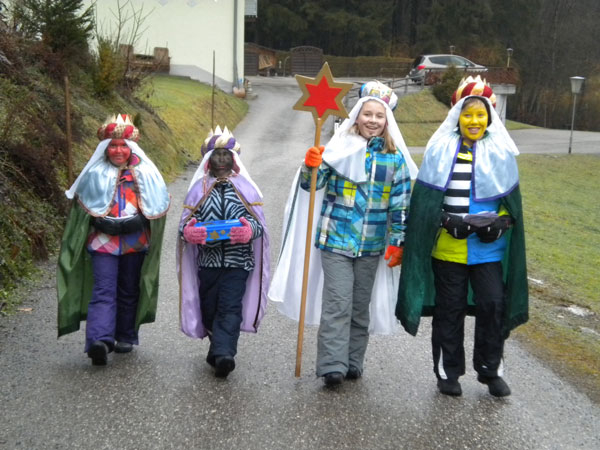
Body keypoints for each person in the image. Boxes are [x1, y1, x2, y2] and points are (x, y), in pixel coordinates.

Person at [269, 81, 418, 386]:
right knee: (338, 302)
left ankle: (352, 361)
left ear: (387, 121)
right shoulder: (338, 149)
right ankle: (331, 365)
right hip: (335, 240)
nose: (372, 120)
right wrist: (311, 165)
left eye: (379, 116)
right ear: (356, 116)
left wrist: (397, 242)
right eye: (367, 114)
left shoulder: (394, 159)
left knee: (359, 307)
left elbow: (400, 205)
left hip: (371, 245)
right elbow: (311, 185)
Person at [396, 76, 528, 397]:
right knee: (449, 310)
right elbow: (427, 203)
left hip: (488, 250)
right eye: (468, 114)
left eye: (481, 115)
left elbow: (510, 203)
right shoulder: (440, 150)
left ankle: (490, 369)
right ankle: (449, 373)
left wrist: (503, 222)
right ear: (457, 116)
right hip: (449, 248)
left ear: (490, 117)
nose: (474, 121)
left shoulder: (500, 152)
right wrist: (445, 219)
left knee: (492, 305)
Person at [57, 114, 171, 366]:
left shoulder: (146, 172)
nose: (118, 150)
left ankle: (125, 335)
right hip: (102, 242)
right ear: (105, 148)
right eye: (113, 145)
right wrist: (98, 221)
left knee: (129, 289)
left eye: (123, 145)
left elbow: (156, 204)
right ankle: (99, 341)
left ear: (131, 147)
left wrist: (140, 220)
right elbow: (82, 208)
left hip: (135, 242)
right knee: (103, 290)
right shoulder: (94, 172)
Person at [177, 126, 270, 379]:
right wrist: (190, 232)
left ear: (234, 159)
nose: (221, 159)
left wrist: (248, 231)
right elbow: (184, 225)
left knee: (229, 307)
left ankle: (225, 355)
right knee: (210, 307)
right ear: (208, 159)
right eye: (216, 155)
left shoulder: (246, 189)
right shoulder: (198, 189)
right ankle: (216, 349)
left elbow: (259, 225)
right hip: (207, 263)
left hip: (238, 262)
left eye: (225, 155)